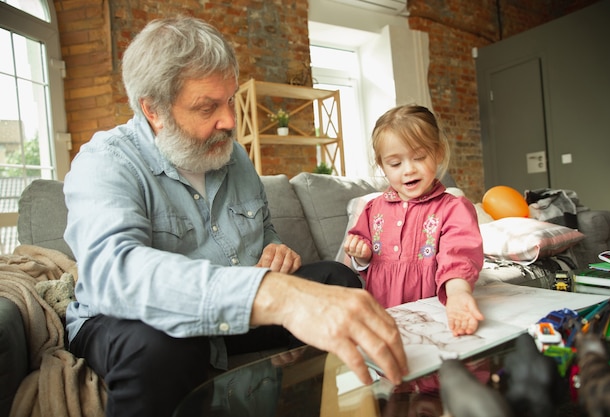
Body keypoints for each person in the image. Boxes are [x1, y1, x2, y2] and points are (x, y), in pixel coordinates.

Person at [63, 16, 407, 417]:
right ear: (153, 110)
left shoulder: (233, 155)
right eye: (208, 107)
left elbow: (264, 231)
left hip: (230, 315)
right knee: (164, 345)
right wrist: (276, 295)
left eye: (230, 99)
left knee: (338, 280)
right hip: (126, 320)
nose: (229, 120)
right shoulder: (106, 161)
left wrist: (275, 249)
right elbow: (114, 273)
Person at [343, 104, 484, 336]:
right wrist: (362, 255)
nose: (408, 170)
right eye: (395, 164)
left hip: (434, 318)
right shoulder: (373, 209)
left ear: (438, 153)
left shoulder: (453, 209)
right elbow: (362, 261)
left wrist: (459, 294)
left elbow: (458, 258)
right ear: (382, 166)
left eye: (419, 157)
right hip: (383, 316)